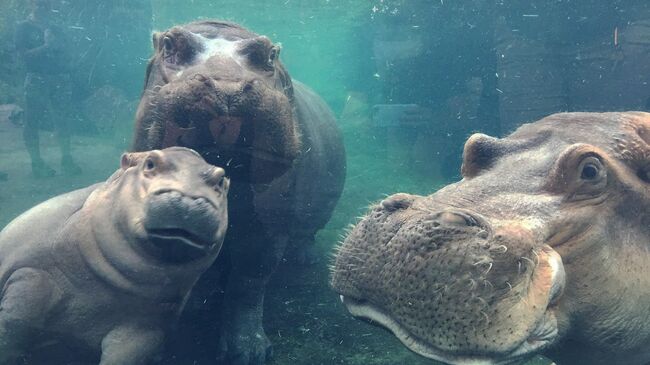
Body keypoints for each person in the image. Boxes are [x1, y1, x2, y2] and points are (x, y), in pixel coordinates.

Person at [15, 0, 81, 177]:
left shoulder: (57, 28)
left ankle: (66, 159)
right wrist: (46, 47)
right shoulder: (23, 28)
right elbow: (23, 56)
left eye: (46, 4)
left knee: (63, 120)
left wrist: (63, 54)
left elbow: (67, 52)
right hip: (36, 78)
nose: (43, 6)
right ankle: (36, 163)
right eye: (40, 3)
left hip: (59, 78)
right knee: (32, 120)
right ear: (31, 4)